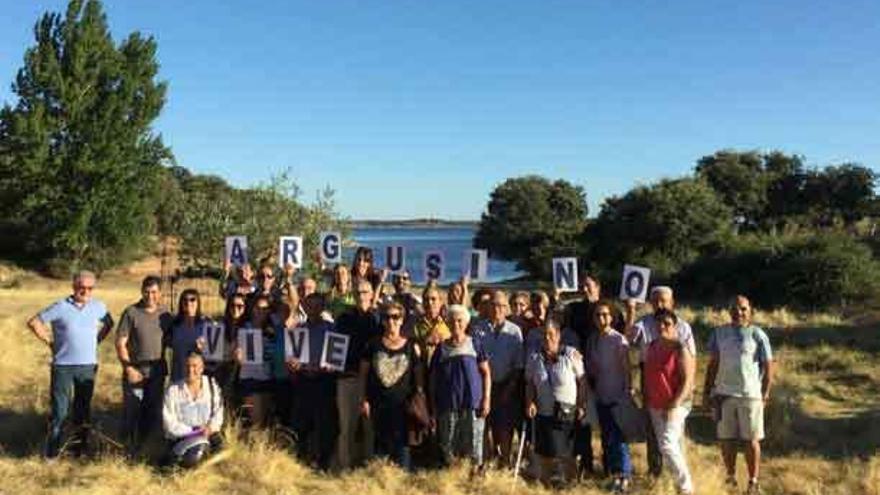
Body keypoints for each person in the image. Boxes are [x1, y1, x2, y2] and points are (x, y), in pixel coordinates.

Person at [28, 270, 114, 458]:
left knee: (82, 411)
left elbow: (109, 323)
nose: (85, 291)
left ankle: (78, 450)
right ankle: (52, 451)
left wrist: (97, 340)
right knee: (60, 411)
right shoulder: (60, 306)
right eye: (81, 287)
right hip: (63, 366)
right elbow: (34, 322)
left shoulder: (99, 307)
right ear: (73, 287)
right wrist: (50, 343)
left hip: (87, 366)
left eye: (89, 288)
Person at [703, 295, 774, 495]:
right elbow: (713, 365)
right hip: (723, 394)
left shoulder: (758, 335)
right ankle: (731, 478)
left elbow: (769, 366)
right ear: (729, 311)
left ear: (750, 311)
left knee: (751, 440)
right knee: (726, 440)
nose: (738, 312)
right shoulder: (718, 333)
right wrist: (707, 392)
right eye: (734, 308)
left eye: (743, 308)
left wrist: (765, 393)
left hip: (750, 395)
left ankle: (753, 482)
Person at [625, 286, 696, 477]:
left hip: (676, 379)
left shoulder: (682, 327)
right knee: (653, 431)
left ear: (672, 303)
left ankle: (679, 478)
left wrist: (687, 389)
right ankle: (655, 472)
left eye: (663, 300)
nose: (659, 304)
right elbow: (628, 339)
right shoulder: (644, 323)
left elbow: (691, 360)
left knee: (673, 434)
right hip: (650, 377)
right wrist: (631, 310)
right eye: (655, 300)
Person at [562, 273, 622, 476]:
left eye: (588, 286)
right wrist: (556, 297)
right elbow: (562, 328)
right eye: (582, 286)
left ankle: (611, 467)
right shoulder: (574, 309)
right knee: (582, 423)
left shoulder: (611, 309)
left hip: (607, 375)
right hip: (581, 373)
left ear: (598, 286)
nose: (584, 289)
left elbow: (623, 337)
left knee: (609, 424)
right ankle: (585, 465)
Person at [359, 301, 423, 470]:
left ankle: (402, 478)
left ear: (402, 320)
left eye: (395, 317)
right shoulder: (372, 345)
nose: (391, 321)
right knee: (380, 441)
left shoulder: (410, 346)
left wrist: (420, 399)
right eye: (386, 317)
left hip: (404, 404)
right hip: (379, 403)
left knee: (403, 444)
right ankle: (381, 477)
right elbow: (363, 374)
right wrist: (363, 399)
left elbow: (418, 377)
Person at [429, 304, 491, 475]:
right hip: (448, 405)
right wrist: (433, 407)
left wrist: (486, 399)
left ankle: (475, 479)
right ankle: (453, 479)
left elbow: (486, 373)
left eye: (459, 321)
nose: (456, 324)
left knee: (474, 444)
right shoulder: (441, 349)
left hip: (473, 404)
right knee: (449, 445)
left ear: (466, 322)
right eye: (452, 321)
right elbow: (433, 380)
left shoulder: (475, 344)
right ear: (447, 323)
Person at [524, 319, 587, 485]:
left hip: (567, 411)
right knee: (545, 452)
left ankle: (571, 484)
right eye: (544, 335)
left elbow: (582, 381)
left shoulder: (571, 354)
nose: (547, 338)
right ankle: (547, 485)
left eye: (551, 334)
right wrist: (529, 402)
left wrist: (581, 404)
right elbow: (530, 383)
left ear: (558, 336)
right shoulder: (534, 356)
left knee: (568, 452)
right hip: (544, 411)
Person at [115, 275, 173, 454]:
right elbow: (120, 342)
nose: (150, 296)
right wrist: (128, 368)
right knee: (132, 411)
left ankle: (146, 449)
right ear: (142, 291)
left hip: (157, 372)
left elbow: (173, 339)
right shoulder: (131, 312)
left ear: (160, 293)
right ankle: (126, 449)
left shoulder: (165, 315)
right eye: (147, 292)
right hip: (136, 370)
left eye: (154, 292)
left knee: (152, 410)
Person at [644, 308, 695, 495]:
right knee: (668, 446)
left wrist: (674, 405)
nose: (662, 326)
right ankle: (675, 486)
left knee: (666, 444)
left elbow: (688, 381)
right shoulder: (651, 346)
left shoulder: (680, 348)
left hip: (676, 404)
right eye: (658, 323)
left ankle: (686, 487)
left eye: (667, 323)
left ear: (675, 326)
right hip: (655, 405)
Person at [471, 290, 524, 468]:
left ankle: (505, 462)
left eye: (502, 305)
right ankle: (483, 463)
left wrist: (510, 387)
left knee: (504, 428)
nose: (498, 309)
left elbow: (518, 364)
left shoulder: (515, 331)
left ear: (507, 308)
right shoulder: (478, 329)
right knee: (483, 426)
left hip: (506, 385)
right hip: (482, 385)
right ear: (488, 306)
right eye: (494, 305)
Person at [333, 280, 382, 469]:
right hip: (348, 378)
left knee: (370, 428)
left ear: (372, 294)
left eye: (365, 292)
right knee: (347, 427)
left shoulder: (379, 319)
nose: (361, 295)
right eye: (358, 292)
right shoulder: (344, 319)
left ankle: (369, 469)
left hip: (372, 382)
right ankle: (344, 469)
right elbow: (335, 348)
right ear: (353, 295)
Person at [288, 293, 339, 471]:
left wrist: (332, 366)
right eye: (310, 306)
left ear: (323, 308)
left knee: (325, 423)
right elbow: (291, 358)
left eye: (318, 306)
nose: (314, 309)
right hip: (304, 380)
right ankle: (300, 460)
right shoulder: (298, 330)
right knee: (301, 422)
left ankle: (324, 463)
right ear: (305, 308)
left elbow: (337, 356)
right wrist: (292, 363)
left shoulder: (333, 329)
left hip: (324, 381)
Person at [587, 300, 633, 492]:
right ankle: (612, 473)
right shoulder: (592, 340)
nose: (602, 319)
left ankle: (624, 475)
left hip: (617, 395)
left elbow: (627, 369)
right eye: (598, 315)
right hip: (601, 395)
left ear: (612, 317)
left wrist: (628, 391)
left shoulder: (619, 340)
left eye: (605, 315)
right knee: (607, 437)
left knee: (619, 438)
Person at [162, 351, 224, 468]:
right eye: (187, 366)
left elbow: (218, 413)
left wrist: (210, 428)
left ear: (201, 368)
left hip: (207, 435)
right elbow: (169, 424)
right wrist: (194, 431)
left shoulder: (212, 387)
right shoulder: (173, 390)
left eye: (194, 366)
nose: (190, 370)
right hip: (182, 438)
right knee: (195, 454)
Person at [233, 294, 280, 428]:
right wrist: (237, 354)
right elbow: (236, 349)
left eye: (265, 309)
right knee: (256, 421)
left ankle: (260, 448)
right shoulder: (244, 327)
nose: (262, 312)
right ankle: (253, 448)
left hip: (268, 378)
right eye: (258, 308)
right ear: (252, 309)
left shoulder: (271, 330)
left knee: (265, 423)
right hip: (250, 378)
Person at [168, 289, 209, 383]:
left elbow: (213, 352)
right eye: (185, 299)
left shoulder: (206, 324)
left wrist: (204, 349)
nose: (188, 302)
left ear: (198, 302)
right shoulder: (174, 325)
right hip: (177, 376)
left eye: (192, 299)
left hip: (198, 378)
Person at [411, 285, 450, 365]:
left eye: (433, 299)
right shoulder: (416, 324)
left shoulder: (449, 322)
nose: (429, 303)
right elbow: (412, 350)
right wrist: (426, 340)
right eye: (426, 299)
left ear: (440, 301)